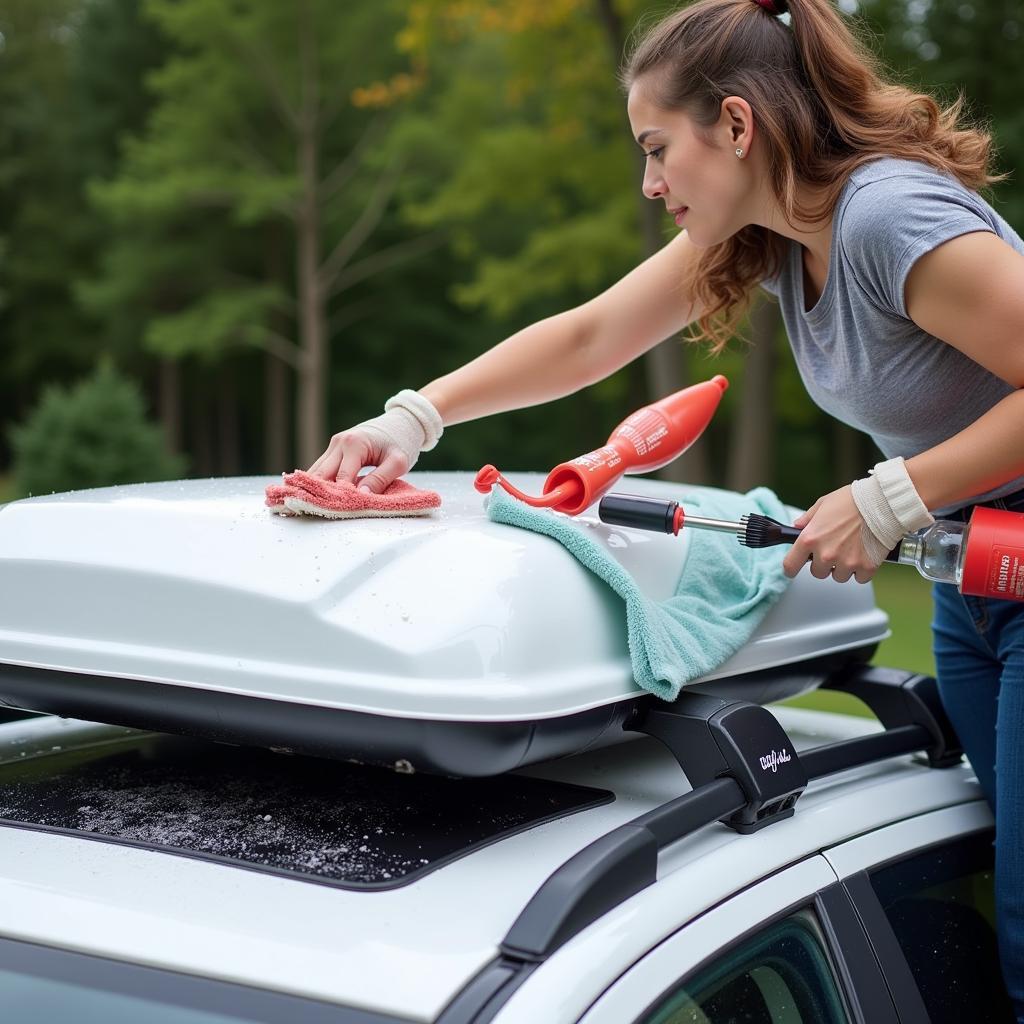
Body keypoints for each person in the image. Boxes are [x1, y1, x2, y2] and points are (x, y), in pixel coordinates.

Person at [308, 0, 1024, 1010]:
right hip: (973, 576)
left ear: (736, 126)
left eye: (656, 148)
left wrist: (890, 493)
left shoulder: (884, 217)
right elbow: (592, 335)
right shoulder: (773, 237)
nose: (648, 182)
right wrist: (416, 417)